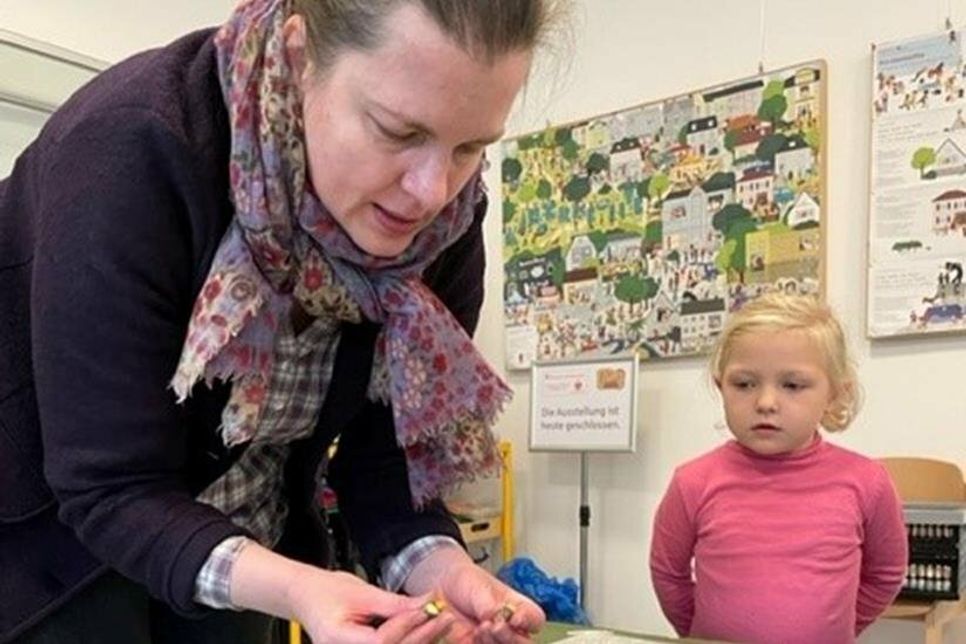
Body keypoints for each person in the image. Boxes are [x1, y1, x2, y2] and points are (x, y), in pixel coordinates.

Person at [0, 0, 565, 641]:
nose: (432, 191)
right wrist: (300, 587)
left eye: (470, 146)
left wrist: (441, 568)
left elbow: (384, 465)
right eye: (399, 132)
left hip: (244, 545)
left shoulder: (446, 227)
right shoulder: (133, 146)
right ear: (300, 58)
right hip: (47, 556)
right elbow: (110, 484)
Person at [649, 293, 907, 644]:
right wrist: (701, 635)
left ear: (834, 392)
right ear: (720, 385)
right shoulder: (692, 481)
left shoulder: (867, 482)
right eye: (744, 384)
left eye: (793, 385)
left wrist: (840, 628)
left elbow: (886, 573)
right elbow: (668, 573)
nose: (766, 402)